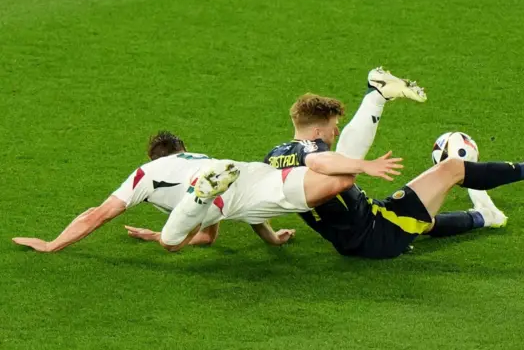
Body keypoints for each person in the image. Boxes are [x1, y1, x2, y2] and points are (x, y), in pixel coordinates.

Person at [264, 67, 524, 259]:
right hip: (375, 232)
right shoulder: (311, 150)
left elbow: (253, 203)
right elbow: (322, 160)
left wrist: (271, 236)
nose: (335, 131)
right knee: (452, 169)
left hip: (356, 233)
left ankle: (484, 216)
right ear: (316, 132)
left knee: (421, 220)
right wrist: (364, 166)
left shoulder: (274, 157)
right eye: (332, 127)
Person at [12, 131, 402, 252]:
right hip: (245, 177)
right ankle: (368, 114)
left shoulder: (147, 173)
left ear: (154, 156)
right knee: (342, 181)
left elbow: (96, 214)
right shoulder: (198, 157)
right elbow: (213, 233)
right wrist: (271, 237)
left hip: (211, 194)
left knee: (169, 243)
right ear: (182, 150)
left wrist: (52, 243)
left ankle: (195, 200)